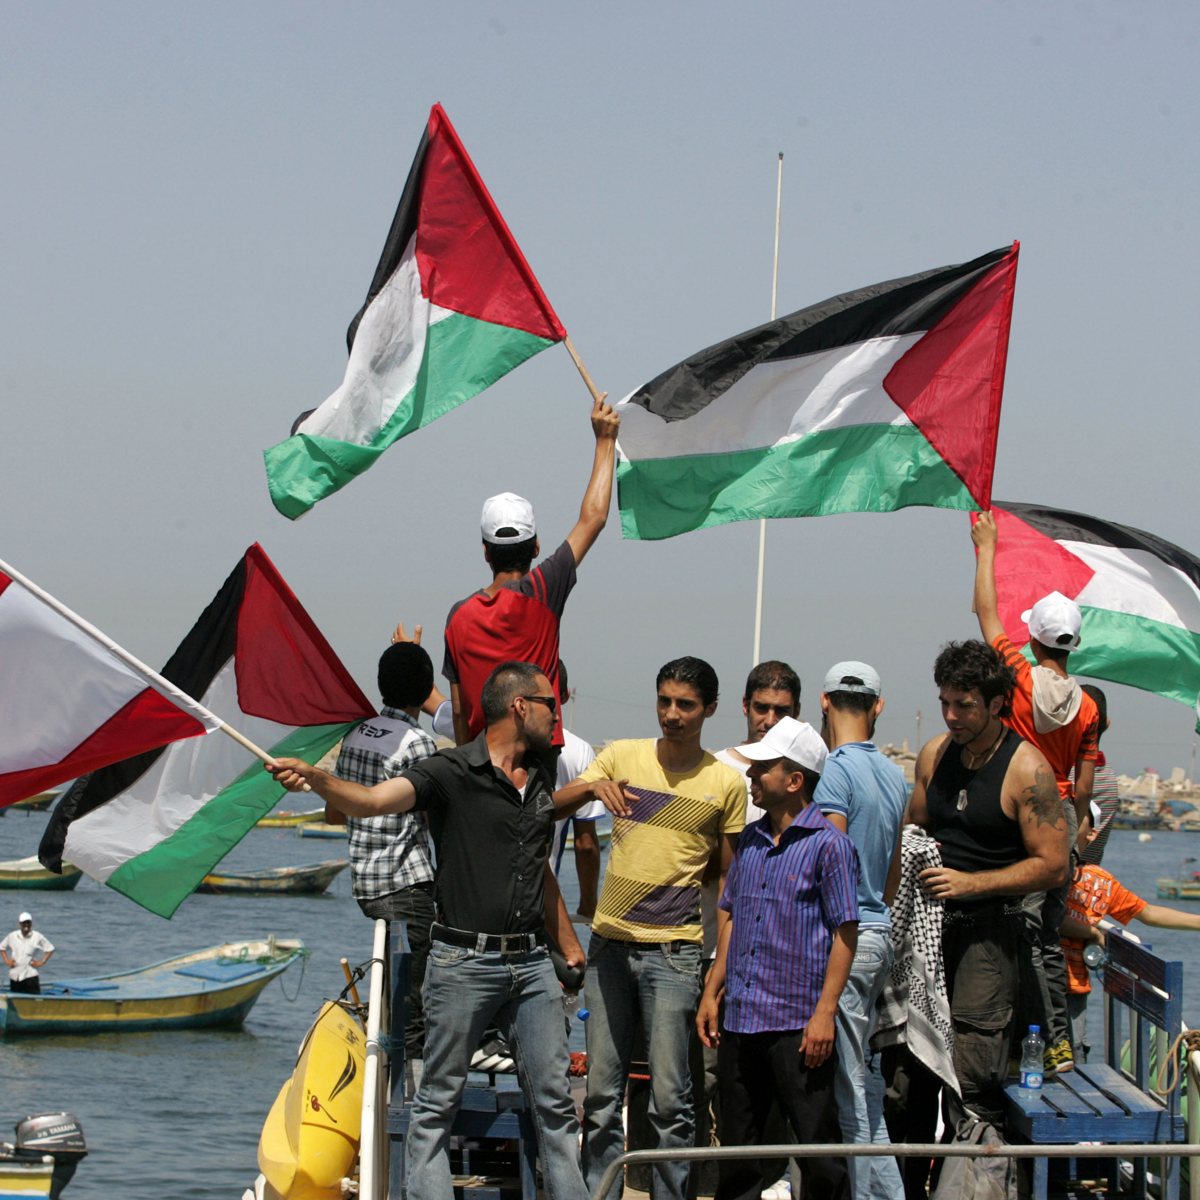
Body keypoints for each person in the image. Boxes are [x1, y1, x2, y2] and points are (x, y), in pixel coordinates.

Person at [266, 661, 590, 1200]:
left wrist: (591, 789)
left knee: (555, 1107)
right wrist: (318, 779)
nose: (557, 715)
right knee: (435, 1107)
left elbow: (537, 852)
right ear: (519, 706)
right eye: (549, 704)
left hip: (533, 965)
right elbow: (372, 802)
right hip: (464, 964)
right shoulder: (450, 771)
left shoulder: (540, 772)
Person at [555, 657, 746, 1200]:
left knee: (671, 1101)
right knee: (600, 1096)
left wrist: (717, 974)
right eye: (665, 701)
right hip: (609, 949)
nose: (672, 714)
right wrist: (593, 789)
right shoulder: (621, 756)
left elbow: (730, 882)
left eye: (686, 704)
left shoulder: (725, 783)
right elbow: (549, 808)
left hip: (675, 955)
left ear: (710, 709)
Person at [907, 640, 1069, 1127]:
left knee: (973, 1079)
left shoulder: (1027, 768)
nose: (951, 716)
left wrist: (971, 884)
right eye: (945, 702)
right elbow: (912, 830)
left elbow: (1054, 866)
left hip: (989, 937)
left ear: (997, 704)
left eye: (964, 705)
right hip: (927, 933)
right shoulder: (935, 754)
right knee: (907, 1077)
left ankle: (978, 1166)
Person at [697, 716, 859, 1200]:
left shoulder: (830, 846)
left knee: (819, 1152)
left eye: (763, 768)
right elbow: (731, 917)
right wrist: (712, 991)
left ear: (794, 781)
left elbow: (845, 934)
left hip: (798, 1026)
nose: (751, 775)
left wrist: (825, 1014)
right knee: (738, 1152)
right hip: (742, 1020)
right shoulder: (748, 841)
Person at [972, 511, 1100, 1076]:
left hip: (1022, 811)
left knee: (1015, 929)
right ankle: (1059, 1043)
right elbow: (1085, 779)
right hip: (1063, 816)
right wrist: (1078, 829)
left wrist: (987, 548)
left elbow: (985, 613)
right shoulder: (1089, 707)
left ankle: (1028, 1039)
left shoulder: (1020, 677)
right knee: (1046, 932)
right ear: (1074, 644)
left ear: (1034, 638)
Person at [442, 397, 620, 746]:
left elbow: (460, 712)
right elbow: (594, 519)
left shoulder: (458, 617)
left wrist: (468, 769)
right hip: (537, 761)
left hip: (480, 759)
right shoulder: (542, 590)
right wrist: (605, 441)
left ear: (485, 552)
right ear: (536, 548)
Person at [324, 641, 439, 1072]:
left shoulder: (357, 733)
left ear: (380, 684)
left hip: (368, 888)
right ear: (426, 690)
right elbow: (433, 819)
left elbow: (335, 813)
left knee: (396, 996)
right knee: (416, 1007)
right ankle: (410, 1092)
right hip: (406, 887)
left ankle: (390, 1081)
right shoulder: (418, 744)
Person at [816, 662, 907, 1200]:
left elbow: (832, 863)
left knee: (848, 1096)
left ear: (824, 702)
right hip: (879, 933)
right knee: (865, 1090)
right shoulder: (894, 775)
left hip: (846, 940)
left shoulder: (834, 771)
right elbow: (891, 875)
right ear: (877, 706)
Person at [1060, 806, 1200, 1062]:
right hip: (1032, 982)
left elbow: (1148, 913)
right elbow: (1046, 916)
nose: (1066, 821)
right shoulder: (1036, 867)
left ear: (1091, 833)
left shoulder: (1100, 882)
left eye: (1075, 816)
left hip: (1073, 989)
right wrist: (1092, 932)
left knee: (1073, 1057)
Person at [549, 662, 604, 918]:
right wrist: (588, 905)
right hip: (540, 902)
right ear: (565, 695)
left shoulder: (486, 741)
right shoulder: (579, 751)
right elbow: (585, 844)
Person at [1077, 686, 1119, 867]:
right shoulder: (1109, 778)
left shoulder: (1062, 775)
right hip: (1087, 876)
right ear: (1106, 724)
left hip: (1061, 877)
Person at [1, 913, 53, 994]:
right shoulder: (12, 936)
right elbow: (2, 947)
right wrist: (7, 960)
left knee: (33, 998)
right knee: (16, 998)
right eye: (24, 923)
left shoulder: (37, 936)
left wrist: (42, 962)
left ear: (31, 923)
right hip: (15, 975)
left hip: (30, 974)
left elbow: (50, 949)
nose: (26, 925)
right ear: (19, 924)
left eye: (28, 923)